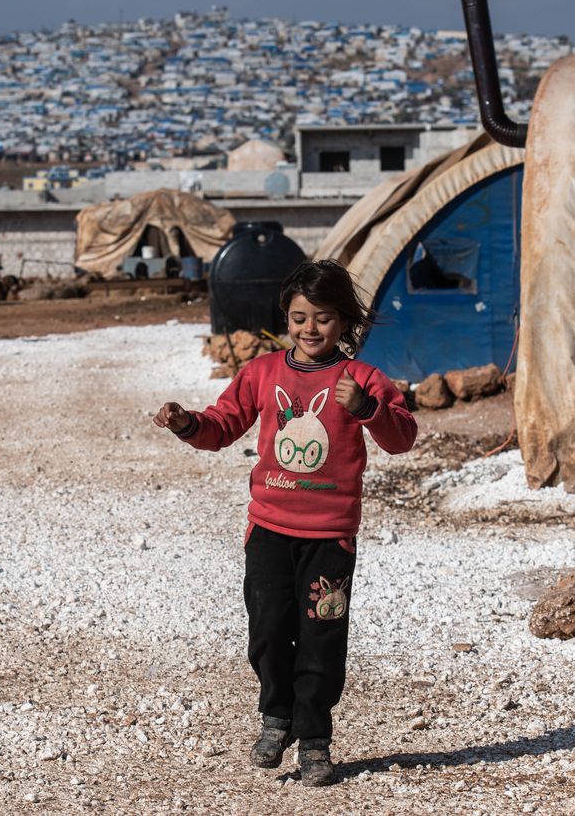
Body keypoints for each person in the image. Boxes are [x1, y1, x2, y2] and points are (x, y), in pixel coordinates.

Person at [153, 259, 417, 787]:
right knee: (269, 632)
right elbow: (223, 424)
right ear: (287, 318)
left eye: (323, 317)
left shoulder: (362, 379)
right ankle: (276, 718)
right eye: (300, 317)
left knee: (322, 639)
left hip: (330, 539)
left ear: (344, 322)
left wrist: (367, 408)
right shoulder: (262, 373)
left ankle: (315, 738)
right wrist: (188, 424)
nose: (310, 329)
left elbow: (402, 436)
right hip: (269, 531)